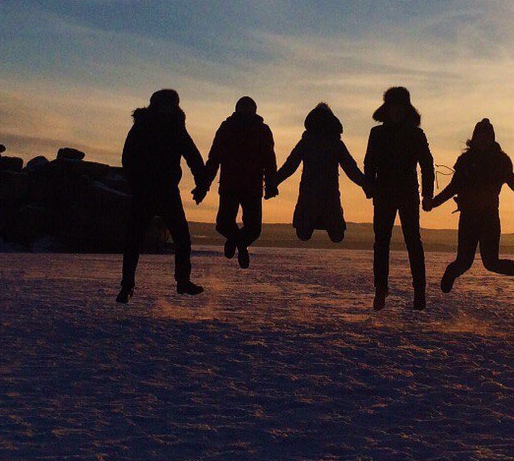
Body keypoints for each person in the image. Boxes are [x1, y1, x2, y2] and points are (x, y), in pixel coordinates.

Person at [426, 118, 514, 297]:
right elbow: (454, 187)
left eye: (486, 137)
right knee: (464, 261)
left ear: (492, 139)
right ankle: (452, 272)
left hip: (489, 219)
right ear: (474, 138)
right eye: (480, 136)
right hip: (468, 218)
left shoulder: (499, 161)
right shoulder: (466, 160)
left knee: (491, 262)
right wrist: (434, 202)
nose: (483, 140)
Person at [117, 88, 208, 303]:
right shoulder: (143, 125)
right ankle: (127, 286)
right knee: (134, 240)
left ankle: (182, 282)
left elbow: (193, 156)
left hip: (166, 190)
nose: (172, 107)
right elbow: (127, 157)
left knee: (181, 238)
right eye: (169, 103)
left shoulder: (176, 127)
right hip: (146, 191)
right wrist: (136, 183)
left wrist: (201, 185)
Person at [364, 86, 435, 310]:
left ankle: (419, 290)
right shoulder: (377, 133)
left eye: (400, 107)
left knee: (413, 241)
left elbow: (427, 165)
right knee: (381, 242)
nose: (396, 111)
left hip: (408, 194)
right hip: (383, 194)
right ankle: (380, 289)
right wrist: (370, 187)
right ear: (387, 108)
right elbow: (369, 163)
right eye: (393, 106)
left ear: (406, 109)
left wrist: (427, 194)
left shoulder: (415, 134)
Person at [194, 96, 277, 269]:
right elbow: (214, 158)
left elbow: (269, 160)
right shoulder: (229, 128)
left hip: (246, 187)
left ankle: (236, 241)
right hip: (236, 186)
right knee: (227, 225)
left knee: (248, 228)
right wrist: (203, 185)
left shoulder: (260, 130)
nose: (246, 111)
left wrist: (271, 184)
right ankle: (240, 244)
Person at [271, 102, 367, 244]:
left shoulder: (307, 142)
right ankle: (322, 222)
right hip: (328, 194)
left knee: (304, 234)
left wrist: (273, 182)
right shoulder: (334, 143)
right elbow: (351, 169)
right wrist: (367, 185)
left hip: (310, 194)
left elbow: (290, 166)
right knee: (336, 236)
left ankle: (315, 222)